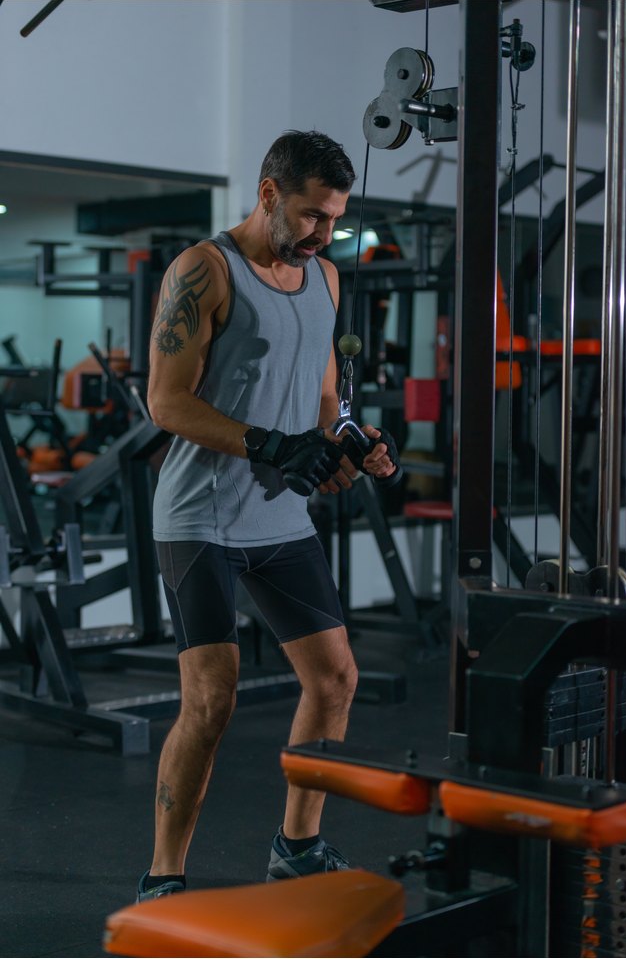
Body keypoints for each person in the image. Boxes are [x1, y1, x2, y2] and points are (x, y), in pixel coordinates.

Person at [138, 130, 399, 901]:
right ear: (267, 193)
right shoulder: (204, 270)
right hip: (199, 518)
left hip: (280, 518)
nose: (324, 233)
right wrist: (272, 445)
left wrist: (355, 442)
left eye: (334, 220)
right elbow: (166, 401)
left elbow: (325, 402)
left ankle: (297, 844)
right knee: (213, 699)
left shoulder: (325, 280)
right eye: (313, 215)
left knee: (335, 679)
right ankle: (163, 873)